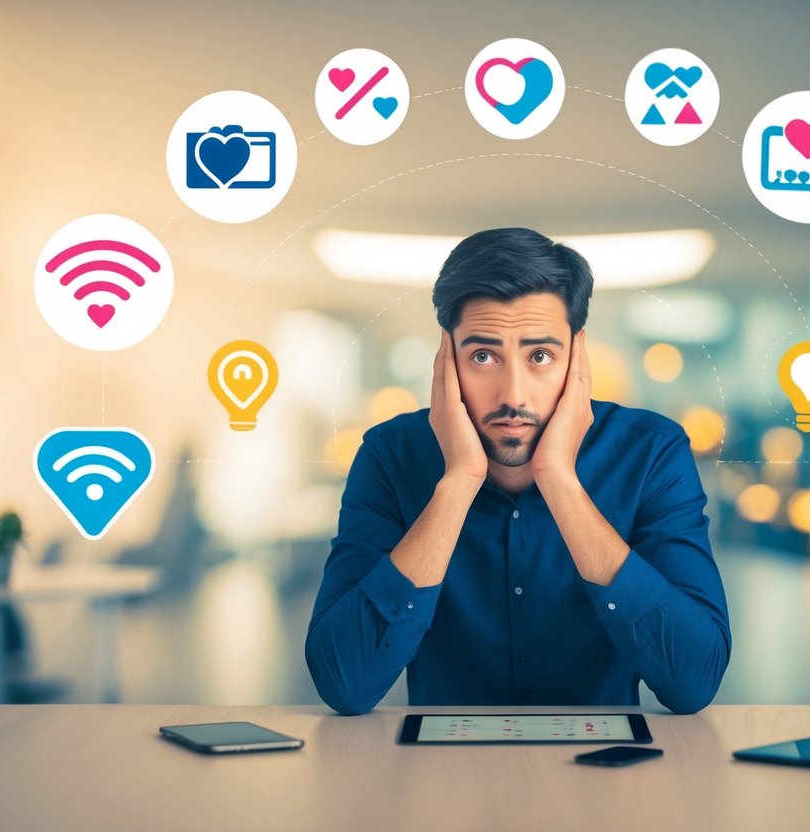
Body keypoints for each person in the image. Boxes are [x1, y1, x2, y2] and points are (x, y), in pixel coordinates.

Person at [305, 227, 730, 716]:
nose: (514, 395)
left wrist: (560, 481)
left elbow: (694, 681)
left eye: (541, 356)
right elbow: (344, 685)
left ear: (578, 355)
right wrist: (459, 480)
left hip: (609, 777)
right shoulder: (389, 455)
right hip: (438, 776)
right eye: (482, 356)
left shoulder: (652, 452)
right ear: (447, 358)